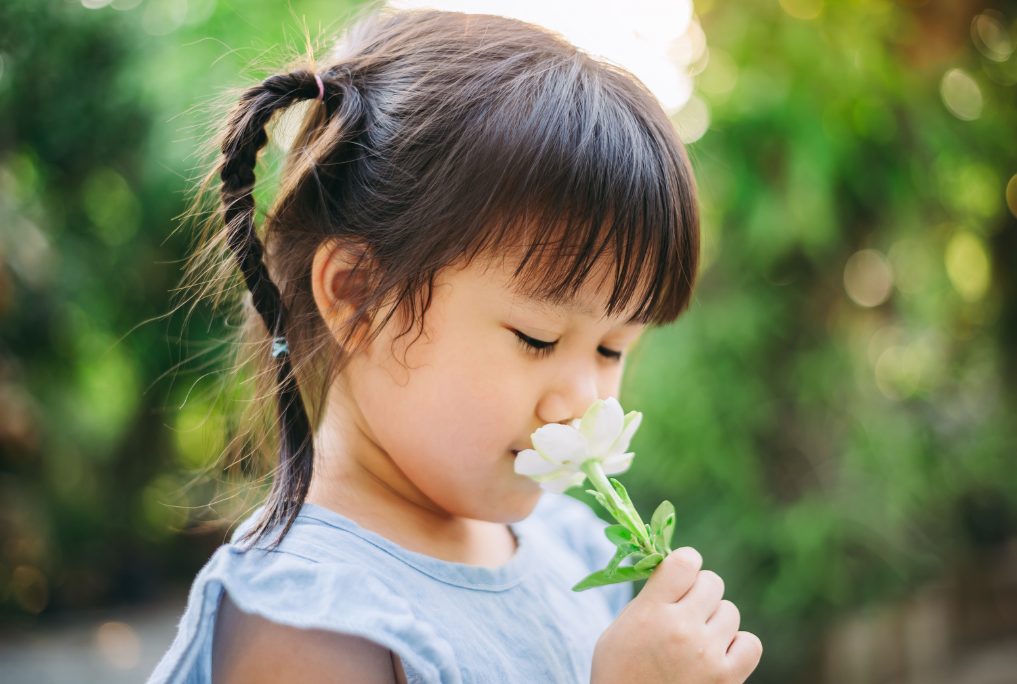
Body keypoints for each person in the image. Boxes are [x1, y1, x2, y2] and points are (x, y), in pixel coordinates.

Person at [146, 8, 761, 684]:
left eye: (613, 350)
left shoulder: (577, 545)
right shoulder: (307, 614)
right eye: (538, 339)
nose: (583, 400)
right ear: (357, 298)